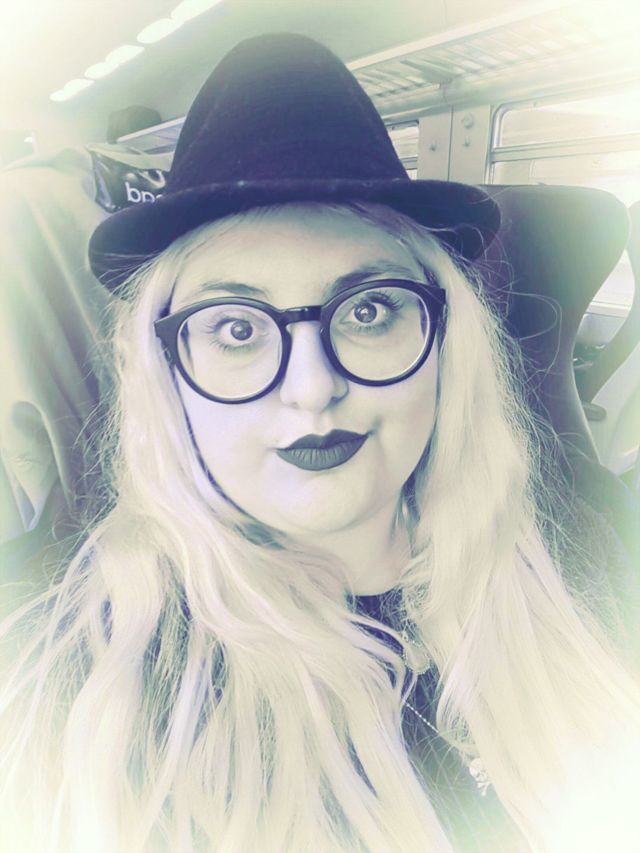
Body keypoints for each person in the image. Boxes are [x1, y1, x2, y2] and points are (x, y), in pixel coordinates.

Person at [1, 33, 639, 853]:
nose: (311, 388)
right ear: (168, 374)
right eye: (236, 328)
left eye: (369, 310)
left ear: (445, 343)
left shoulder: (590, 558)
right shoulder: (91, 694)